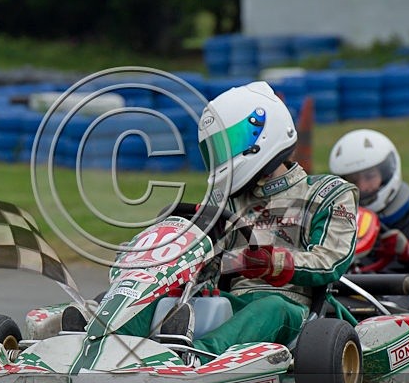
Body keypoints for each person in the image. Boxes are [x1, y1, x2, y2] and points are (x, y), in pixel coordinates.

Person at [100, 81, 359, 360]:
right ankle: (106, 342)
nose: (223, 156)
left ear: (262, 133)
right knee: (158, 297)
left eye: (230, 144)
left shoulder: (326, 193)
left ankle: (194, 358)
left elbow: (331, 259)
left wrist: (275, 263)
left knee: (269, 307)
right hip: (229, 302)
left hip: (291, 308)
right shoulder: (225, 203)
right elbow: (199, 259)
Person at [328, 129, 409, 281]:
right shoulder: (336, 220)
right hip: (347, 294)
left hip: (406, 296)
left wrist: (408, 250)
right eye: (353, 181)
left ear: (388, 172)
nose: (362, 187)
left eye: (369, 177)